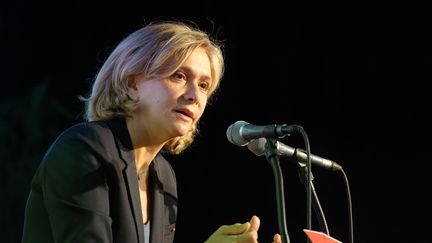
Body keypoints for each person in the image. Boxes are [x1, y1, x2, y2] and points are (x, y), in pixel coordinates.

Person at [21, 20, 282, 243]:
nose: (194, 96)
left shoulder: (163, 176)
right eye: (179, 76)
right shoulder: (84, 148)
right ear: (131, 82)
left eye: (204, 85)